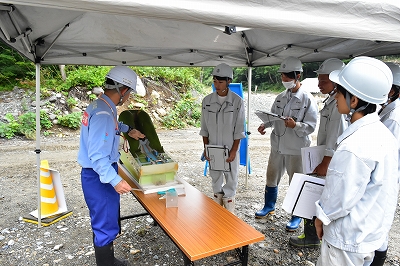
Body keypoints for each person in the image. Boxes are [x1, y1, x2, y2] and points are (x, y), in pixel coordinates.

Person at [315, 57, 399, 266]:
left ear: (354, 101)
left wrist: (321, 218)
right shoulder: (382, 133)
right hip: (369, 234)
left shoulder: (355, 145)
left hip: (346, 241)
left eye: (339, 93)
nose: (335, 98)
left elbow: (340, 197)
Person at [77, 66, 145, 266]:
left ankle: (109, 260)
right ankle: (106, 264)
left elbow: (112, 127)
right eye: (130, 92)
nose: (129, 97)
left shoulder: (100, 106)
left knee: (103, 220)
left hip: (97, 174)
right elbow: (97, 156)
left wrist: (128, 130)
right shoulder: (104, 115)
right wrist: (115, 181)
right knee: (105, 223)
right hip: (100, 176)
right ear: (122, 90)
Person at [255, 56, 318, 232]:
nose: (284, 80)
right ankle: (269, 206)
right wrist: (264, 125)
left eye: (287, 76)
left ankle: (296, 216)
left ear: (298, 75)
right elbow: (272, 115)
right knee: (271, 176)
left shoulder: (307, 99)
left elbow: (311, 126)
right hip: (278, 145)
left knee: (296, 181)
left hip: (296, 148)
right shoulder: (280, 97)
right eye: (283, 76)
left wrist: (295, 125)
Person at [289, 58, 347, 247]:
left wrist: (326, 161)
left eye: (324, 81)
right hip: (323, 156)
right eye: (319, 80)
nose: (319, 84)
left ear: (336, 81)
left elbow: (334, 136)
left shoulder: (339, 104)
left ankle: (314, 238)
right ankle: (314, 236)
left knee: (317, 197)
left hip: (330, 160)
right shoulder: (332, 98)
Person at [199, 63, 245, 214]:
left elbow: (239, 129)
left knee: (231, 181)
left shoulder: (237, 102)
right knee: (215, 180)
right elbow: (204, 129)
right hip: (213, 149)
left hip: (230, 149)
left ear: (228, 81)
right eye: (214, 81)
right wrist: (206, 148)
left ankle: (230, 215)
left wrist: (234, 150)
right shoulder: (207, 101)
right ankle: (217, 213)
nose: (217, 85)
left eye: (220, 82)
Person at [371, 62, 400, 266]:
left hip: (385, 177)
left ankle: (378, 261)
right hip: (383, 175)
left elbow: (384, 153)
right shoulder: (388, 110)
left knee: (379, 224)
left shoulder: (394, 117)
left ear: (391, 89)